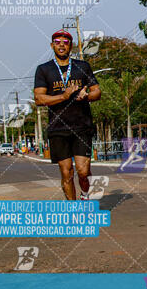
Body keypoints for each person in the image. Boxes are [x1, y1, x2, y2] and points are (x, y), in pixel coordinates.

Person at [34, 29, 101, 200]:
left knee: (83, 171)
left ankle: (85, 194)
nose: (61, 45)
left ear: (71, 46)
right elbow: (39, 99)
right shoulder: (43, 69)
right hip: (58, 128)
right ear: (52, 45)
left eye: (65, 42)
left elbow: (97, 92)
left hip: (81, 126)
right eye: (57, 42)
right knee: (67, 173)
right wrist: (63, 96)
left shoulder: (83, 66)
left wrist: (87, 96)